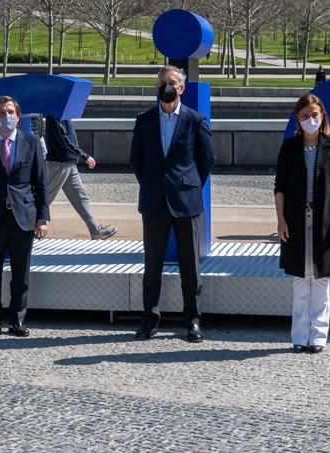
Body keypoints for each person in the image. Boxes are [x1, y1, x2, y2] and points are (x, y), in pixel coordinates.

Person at [130, 65, 215, 342]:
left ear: (182, 88)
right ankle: (149, 320)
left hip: (185, 200)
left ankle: (192, 321)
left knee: (190, 266)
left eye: (173, 82)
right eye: (163, 83)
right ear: (157, 88)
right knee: (152, 264)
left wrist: (188, 185)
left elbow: (206, 160)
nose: (168, 86)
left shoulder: (195, 119)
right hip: (154, 201)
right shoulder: (144, 120)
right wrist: (153, 184)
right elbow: (136, 160)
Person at [0, 96, 50, 337]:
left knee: (20, 272)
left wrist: (42, 218)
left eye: (11, 112)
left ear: (18, 115)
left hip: (23, 217)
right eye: (2, 113)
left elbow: (41, 183)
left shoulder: (31, 142)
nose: (7, 117)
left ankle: (17, 320)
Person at [274, 94, 330, 353]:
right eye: (305, 116)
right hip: (295, 219)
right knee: (300, 279)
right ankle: (299, 335)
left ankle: (318, 336)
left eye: (314, 115)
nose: (310, 120)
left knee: (321, 279)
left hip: (325, 220)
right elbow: (279, 186)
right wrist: (281, 219)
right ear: (298, 119)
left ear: (322, 116)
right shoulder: (289, 147)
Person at [37, 112, 118, 239]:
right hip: (59, 163)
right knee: (45, 198)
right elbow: (65, 140)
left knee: (81, 198)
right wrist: (84, 156)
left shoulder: (61, 115)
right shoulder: (56, 116)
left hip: (67, 162)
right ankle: (27, 230)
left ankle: (95, 230)